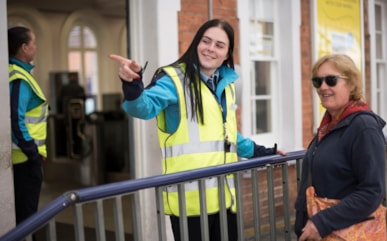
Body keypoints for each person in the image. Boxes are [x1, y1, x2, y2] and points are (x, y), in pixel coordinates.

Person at [109, 19, 286, 241]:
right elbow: (143, 109)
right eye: (206, 41)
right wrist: (132, 85)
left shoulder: (226, 85)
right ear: (196, 43)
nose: (211, 49)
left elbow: (228, 136)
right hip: (189, 205)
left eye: (219, 45)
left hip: (225, 200)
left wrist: (263, 152)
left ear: (227, 53)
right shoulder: (173, 79)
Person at [294, 54, 386, 240]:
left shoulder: (364, 127)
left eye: (331, 80)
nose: (323, 87)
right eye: (317, 81)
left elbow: (372, 192)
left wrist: (322, 222)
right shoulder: (330, 124)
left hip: (345, 232)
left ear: (351, 84)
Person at [8, 26, 48, 226]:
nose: (35, 47)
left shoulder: (18, 74)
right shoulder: (19, 78)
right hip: (24, 159)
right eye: (33, 42)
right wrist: (32, 152)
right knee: (26, 219)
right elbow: (15, 118)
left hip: (23, 157)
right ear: (24, 48)